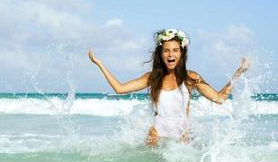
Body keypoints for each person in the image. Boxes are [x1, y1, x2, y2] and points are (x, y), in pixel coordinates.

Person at [88, 29, 249, 147]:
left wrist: (239, 72)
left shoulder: (190, 78)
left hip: (182, 133)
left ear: (181, 53)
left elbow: (219, 98)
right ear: (161, 54)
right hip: (156, 133)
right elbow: (120, 89)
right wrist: (99, 64)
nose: (170, 54)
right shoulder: (152, 78)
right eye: (166, 50)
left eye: (175, 50)